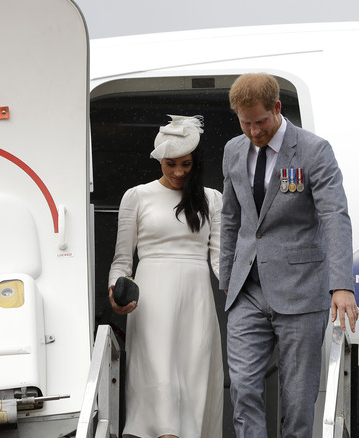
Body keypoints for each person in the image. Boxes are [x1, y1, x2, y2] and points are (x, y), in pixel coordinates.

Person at [219, 73, 358, 438]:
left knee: (297, 400)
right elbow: (231, 217)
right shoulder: (233, 150)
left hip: (301, 290)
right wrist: (226, 279)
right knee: (244, 386)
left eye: (260, 121)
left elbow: (334, 216)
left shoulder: (314, 150)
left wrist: (342, 285)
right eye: (245, 123)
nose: (253, 131)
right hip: (247, 289)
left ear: (277, 108)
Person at [108, 115, 224, 438]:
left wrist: (247, 294)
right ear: (159, 159)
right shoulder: (137, 196)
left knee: (193, 386)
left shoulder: (212, 199)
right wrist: (116, 292)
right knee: (159, 385)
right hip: (151, 303)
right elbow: (121, 261)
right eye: (170, 163)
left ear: (195, 161)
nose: (178, 172)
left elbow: (220, 261)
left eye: (185, 164)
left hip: (196, 302)